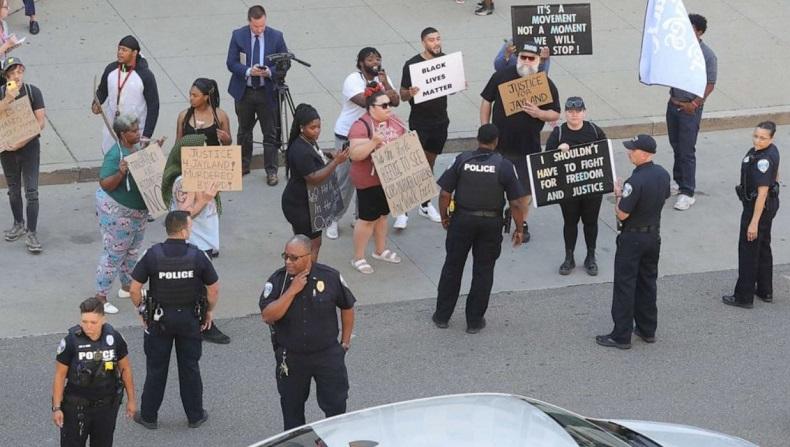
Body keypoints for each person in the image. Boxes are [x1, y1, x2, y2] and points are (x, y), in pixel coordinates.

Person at [129, 210, 220, 429]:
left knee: (156, 369)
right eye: (190, 226)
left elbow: (134, 289)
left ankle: (149, 417)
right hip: (189, 320)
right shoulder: (198, 255)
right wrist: (208, 311)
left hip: (159, 320)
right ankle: (195, 416)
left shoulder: (152, 254)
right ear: (183, 230)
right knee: (190, 368)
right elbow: (213, 288)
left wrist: (143, 310)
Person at [433, 124, 527, 333]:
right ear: (496, 141)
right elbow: (516, 203)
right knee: (483, 271)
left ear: (477, 139)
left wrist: (444, 217)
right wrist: (520, 229)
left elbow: (445, 193)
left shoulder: (462, 160)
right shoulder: (504, 166)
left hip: (462, 220)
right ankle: (474, 321)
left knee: (452, 267)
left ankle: (442, 316)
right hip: (490, 224)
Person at [260, 235, 356, 430]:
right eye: (285, 256)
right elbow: (268, 316)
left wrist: (345, 342)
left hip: (327, 355)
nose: (288, 262)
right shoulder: (278, 280)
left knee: (336, 406)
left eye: (294, 258)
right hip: (292, 357)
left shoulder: (330, 277)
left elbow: (347, 306)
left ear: (309, 256)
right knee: (292, 409)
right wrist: (292, 291)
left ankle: (334, 440)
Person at [480, 41, 560, 242]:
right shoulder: (501, 76)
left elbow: (555, 113)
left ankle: (520, 222)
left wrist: (539, 113)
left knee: (525, 191)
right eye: (523, 57)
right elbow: (487, 100)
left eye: (531, 58)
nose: (526, 61)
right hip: (499, 146)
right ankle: (495, 219)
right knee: (494, 187)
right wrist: (484, 128)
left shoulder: (544, 84)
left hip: (528, 147)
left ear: (539, 60)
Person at [596, 135, 670, 350]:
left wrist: (619, 195)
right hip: (653, 236)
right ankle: (647, 329)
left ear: (645, 154)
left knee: (625, 285)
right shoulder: (663, 174)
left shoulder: (634, 181)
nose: (629, 153)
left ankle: (621, 335)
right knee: (648, 282)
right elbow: (664, 196)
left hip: (632, 238)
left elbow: (622, 214)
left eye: (633, 150)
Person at [161, 134, 230, 345]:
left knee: (199, 284)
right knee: (205, 285)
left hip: (205, 240)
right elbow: (183, 215)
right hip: (195, 242)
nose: (205, 153)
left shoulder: (199, 175)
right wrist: (205, 199)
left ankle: (197, 321)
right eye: (201, 150)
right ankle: (204, 324)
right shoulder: (182, 182)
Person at [330, 46, 400, 238]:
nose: (375, 63)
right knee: (345, 180)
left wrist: (385, 83)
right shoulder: (353, 80)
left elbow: (395, 101)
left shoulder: (383, 79)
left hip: (372, 136)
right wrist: (383, 92)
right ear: (361, 63)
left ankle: (360, 217)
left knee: (366, 180)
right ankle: (333, 219)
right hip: (347, 135)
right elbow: (365, 102)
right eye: (370, 60)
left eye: (377, 59)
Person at [52, 297, 136, 447]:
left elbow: (125, 369)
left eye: (93, 322)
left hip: (106, 406)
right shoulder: (71, 341)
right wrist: (57, 408)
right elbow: (60, 375)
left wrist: (131, 400)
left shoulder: (114, 338)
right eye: (84, 321)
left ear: (103, 319)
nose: (88, 327)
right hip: (76, 408)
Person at [545, 97, 607, 276]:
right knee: (570, 223)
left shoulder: (594, 130)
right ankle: (569, 257)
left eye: (578, 111)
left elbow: (605, 154)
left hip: (592, 188)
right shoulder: (558, 133)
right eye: (570, 112)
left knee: (590, 223)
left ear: (584, 113)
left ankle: (591, 257)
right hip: (568, 189)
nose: (574, 115)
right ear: (565, 113)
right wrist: (558, 151)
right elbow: (546, 161)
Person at [226, 4, 288, 184]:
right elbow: (231, 63)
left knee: (270, 132)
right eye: (255, 26)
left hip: (266, 92)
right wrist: (248, 71)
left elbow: (285, 63)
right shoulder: (238, 35)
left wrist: (269, 72)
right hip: (245, 92)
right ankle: (243, 165)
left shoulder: (276, 36)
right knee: (244, 131)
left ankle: (271, 170)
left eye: (262, 26)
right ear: (249, 22)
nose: (259, 30)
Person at [722, 121, 780, 309]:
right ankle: (765, 289)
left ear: (772, 138)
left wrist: (753, 223)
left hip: (757, 208)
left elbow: (762, 193)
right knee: (763, 246)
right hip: (768, 205)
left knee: (748, 250)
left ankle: (743, 296)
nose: (757, 140)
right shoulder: (771, 151)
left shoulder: (763, 160)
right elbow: (776, 174)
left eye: (763, 138)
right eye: (756, 136)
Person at [348, 91, 405, 274]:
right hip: (368, 180)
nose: (389, 108)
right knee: (366, 220)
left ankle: (380, 250)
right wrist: (373, 142)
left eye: (389, 104)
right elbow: (354, 154)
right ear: (371, 108)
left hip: (388, 179)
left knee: (382, 216)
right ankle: (358, 257)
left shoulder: (395, 121)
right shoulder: (361, 126)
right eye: (384, 105)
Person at [282, 103, 349, 260]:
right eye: (313, 128)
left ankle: (303, 267)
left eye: (319, 127)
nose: (317, 131)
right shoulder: (300, 150)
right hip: (301, 207)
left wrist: (328, 154)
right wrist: (336, 162)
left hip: (303, 202)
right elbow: (313, 178)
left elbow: (315, 153)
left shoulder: (306, 140)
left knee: (304, 242)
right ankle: (306, 270)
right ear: (301, 128)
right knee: (312, 244)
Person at [666, 13, 717, 211]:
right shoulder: (678, 49)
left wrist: (694, 104)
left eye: (691, 29)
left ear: (700, 32)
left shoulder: (708, 55)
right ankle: (678, 181)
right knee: (676, 145)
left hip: (689, 108)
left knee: (686, 150)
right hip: (673, 104)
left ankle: (688, 192)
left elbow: (710, 84)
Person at [399, 27, 446, 224]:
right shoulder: (412, 65)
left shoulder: (445, 60)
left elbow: (449, 87)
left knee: (429, 164)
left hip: (440, 121)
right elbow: (402, 95)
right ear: (423, 42)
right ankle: (402, 210)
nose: (436, 43)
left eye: (438, 39)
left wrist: (458, 83)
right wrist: (410, 92)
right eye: (431, 40)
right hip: (420, 121)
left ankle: (425, 205)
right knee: (413, 165)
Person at [0, 57, 46, 253]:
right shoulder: (2, 93)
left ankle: (32, 232)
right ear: (6, 77)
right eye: (12, 73)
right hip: (7, 149)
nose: (16, 76)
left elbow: (40, 122)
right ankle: (18, 223)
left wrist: (22, 141)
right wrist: (8, 99)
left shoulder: (33, 92)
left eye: (19, 72)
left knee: (32, 192)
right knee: (13, 189)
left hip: (29, 148)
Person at [92, 35, 160, 155]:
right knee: (111, 160)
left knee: (132, 163)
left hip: (135, 132)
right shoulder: (110, 69)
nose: (120, 52)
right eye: (119, 49)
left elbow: (153, 106)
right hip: (112, 129)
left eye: (124, 50)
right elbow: (102, 90)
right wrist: (96, 103)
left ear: (134, 53)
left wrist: (147, 135)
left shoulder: (145, 76)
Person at [176, 78, 232, 146]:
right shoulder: (183, 116)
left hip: (213, 152)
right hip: (190, 153)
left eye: (195, 96)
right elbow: (178, 144)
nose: (191, 98)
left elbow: (228, 144)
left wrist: (226, 139)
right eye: (190, 94)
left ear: (206, 97)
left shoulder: (220, 115)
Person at [0, 0, 21, 66]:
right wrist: (7, 44)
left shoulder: (4, 24)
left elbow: (4, 50)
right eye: (6, 7)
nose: (9, 8)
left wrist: (12, 45)